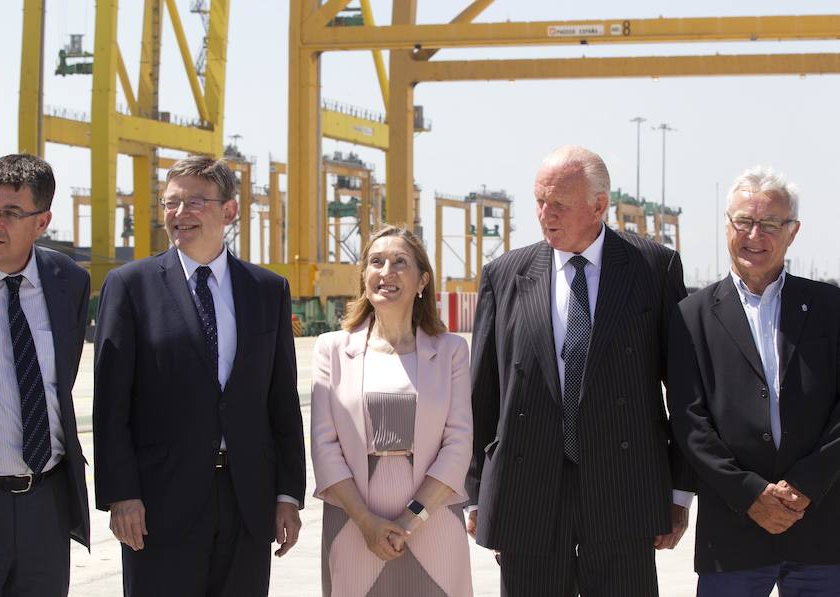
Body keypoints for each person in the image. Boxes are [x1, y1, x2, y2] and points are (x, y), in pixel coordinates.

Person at [466, 145, 695, 596]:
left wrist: (678, 491)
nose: (544, 214)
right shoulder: (503, 275)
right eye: (539, 200)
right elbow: (483, 393)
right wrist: (477, 490)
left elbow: (685, 389)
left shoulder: (653, 267)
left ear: (598, 205)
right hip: (528, 490)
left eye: (559, 205)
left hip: (624, 489)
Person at [93, 155, 306, 597]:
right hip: (157, 506)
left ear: (229, 211)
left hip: (247, 502)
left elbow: (281, 402)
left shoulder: (268, 290)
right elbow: (111, 404)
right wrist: (121, 493)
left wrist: (288, 495)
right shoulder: (131, 286)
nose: (179, 214)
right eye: (171, 203)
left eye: (194, 202)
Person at [667, 166, 840, 596]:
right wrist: (749, 494)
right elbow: (689, 420)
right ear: (728, 226)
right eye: (743, 221)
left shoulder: (830, 307)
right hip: (733, 529)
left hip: (821, 526)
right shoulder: (691, 316)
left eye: (769, 224)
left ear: (793, 232)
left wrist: (805, 486)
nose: (754, 235)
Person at [0, 154, 90, 595]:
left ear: (41, 222)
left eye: (9, 212)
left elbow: (59, 382)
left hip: (46, 506)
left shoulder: (68, 281)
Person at [311, 225, 474, 596]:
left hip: (433, 519)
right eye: (376, 262)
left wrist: (409, 521)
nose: (387, 271)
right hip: (353, 521)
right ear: (364, 277)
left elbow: (459, 442)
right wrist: (366, 522)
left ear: (422, 280)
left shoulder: (451, 351)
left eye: (400, 262)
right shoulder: (331, 349)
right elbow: (324, 445)